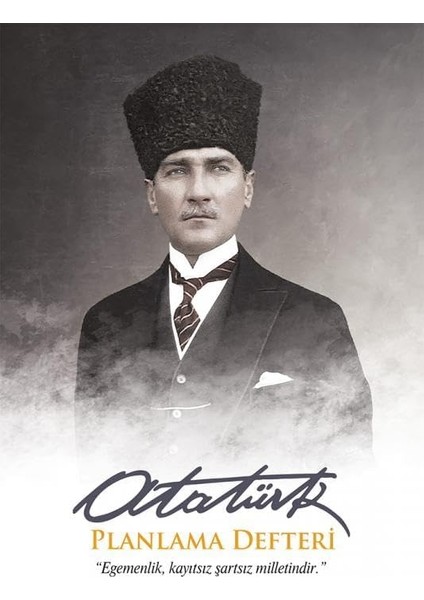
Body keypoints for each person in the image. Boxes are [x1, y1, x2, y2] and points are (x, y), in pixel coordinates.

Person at [75, 55, 372, 469]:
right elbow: (90, 473)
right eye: (177, 171)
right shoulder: (106, 321)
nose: (199, 191)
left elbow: (351, 478)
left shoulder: (314, 318)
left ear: (247, 188)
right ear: (151, 195)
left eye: (218, 168)